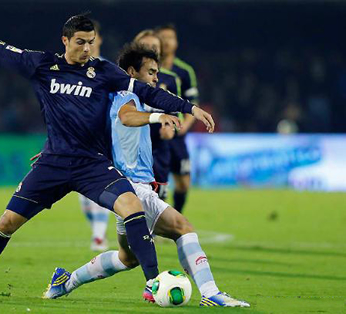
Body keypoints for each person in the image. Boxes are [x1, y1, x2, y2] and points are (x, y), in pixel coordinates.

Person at [0, 14, 215, 300]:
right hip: (53, 164)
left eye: (91, 42)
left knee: (132, 206)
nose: (87, 49)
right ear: (65, 40)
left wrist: (188, 108)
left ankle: (154, 283)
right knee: (6, 223)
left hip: (93, 164)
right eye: (80, 42)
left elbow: (144, 91)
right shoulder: (42, 65)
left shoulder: (103, 71)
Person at [43, 43, 249, 307]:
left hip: (124, 189)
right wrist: (156, 117)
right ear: (131, 71)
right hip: (132, 187)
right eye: (151, 72)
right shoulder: (124, 96)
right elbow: (127, 116)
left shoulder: (129, 99)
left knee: (126, 258)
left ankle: (66, 281)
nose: (155, 78)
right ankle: (210, 293)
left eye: (157, 72)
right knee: (182, 228)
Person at [155, 24, 199, 212]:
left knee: (183, 183)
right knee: (158, 184)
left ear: (176, 42)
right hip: (155, 133)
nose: (166, 41)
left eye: (170, 37)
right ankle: (156, 223)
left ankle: (176, 216)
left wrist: (183, 127)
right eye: (162, 37)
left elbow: (193, 104)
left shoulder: (184, 71)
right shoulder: (149, 69)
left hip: (177, 135)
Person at [133, 30, 181, 199]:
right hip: (133, 148)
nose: (150, 50)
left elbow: (174, 112)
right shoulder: (126, 78)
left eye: (154, 46)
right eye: (145, 46)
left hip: (159, 148)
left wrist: (171, 128)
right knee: (132, 204)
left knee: (159, 201)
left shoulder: (170, 79)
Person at [77, 20, 111, 252]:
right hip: (77, 138)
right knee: (83, 198)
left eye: (93, 38)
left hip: (104, 138)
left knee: (98, 187)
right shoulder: (74, 68)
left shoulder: (108, 69)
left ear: (99, 40)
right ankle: (98, 233)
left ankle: (99, 236)